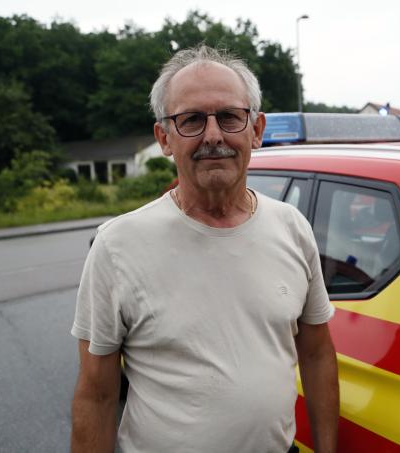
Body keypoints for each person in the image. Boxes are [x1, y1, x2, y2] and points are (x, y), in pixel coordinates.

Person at [70, 45, 339, 453]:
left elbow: (317, 355)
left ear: (256, 130)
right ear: (164, 138)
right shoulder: (116, 246)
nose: (213, 135)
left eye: (229, 116)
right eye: (192, 119)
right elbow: (97, 395)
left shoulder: (292, 228)